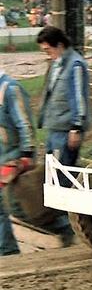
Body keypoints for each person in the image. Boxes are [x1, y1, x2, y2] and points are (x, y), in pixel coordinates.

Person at [37, 26, 90, 171]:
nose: (47, 54)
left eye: (48, 50)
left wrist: (76, 128)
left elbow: (79, 97)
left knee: (63, 172)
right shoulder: (56, 64)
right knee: (51, 171)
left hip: (66, 130)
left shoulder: (75, 65)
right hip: (55, 127)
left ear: (59, 45)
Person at [0, 70, 35, 256]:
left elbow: (24, 123)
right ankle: (7, 250)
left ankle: (63, 233)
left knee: (22, 207)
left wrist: (27, 153)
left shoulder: (10, 88)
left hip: (14, 158)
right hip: (3, 157)